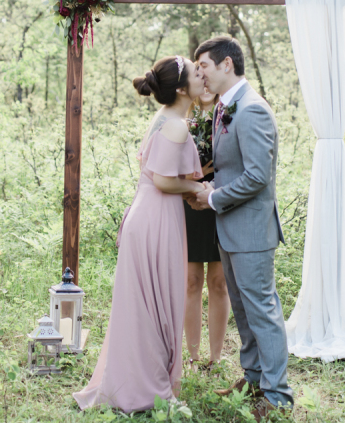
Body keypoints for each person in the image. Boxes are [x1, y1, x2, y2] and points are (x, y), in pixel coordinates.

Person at [73, 55, 206, 413]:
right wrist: (197, 189)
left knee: (149, 305)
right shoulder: (175, 124)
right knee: (156, 307)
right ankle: (150, 391)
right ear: (180, 88)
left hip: (151, 215)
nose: (202, 76)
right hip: (155, 220)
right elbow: (163, 179)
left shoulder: (166, 118)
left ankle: (146, 383)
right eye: (196, 73)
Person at [191, 36, 294, 421]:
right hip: (229, 228)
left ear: (226, 66)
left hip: (250, 229)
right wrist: (209, 186)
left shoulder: (252, 110)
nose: (199, 72)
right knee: (243, 308)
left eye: (204, 65)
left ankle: (279, 395)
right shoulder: (224, 107)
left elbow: (257, 176)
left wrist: (213, 198)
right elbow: (233, 168)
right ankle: (252, 378)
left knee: (262, 310)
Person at [183, 89, 231, 371]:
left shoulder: (229, 113)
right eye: (197, 76)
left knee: (219, 282)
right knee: (191, 280)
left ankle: (215, 357)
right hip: (190, 199)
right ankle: (192, 356)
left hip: (222, 198)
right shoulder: (183, 118)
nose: (204, 84)